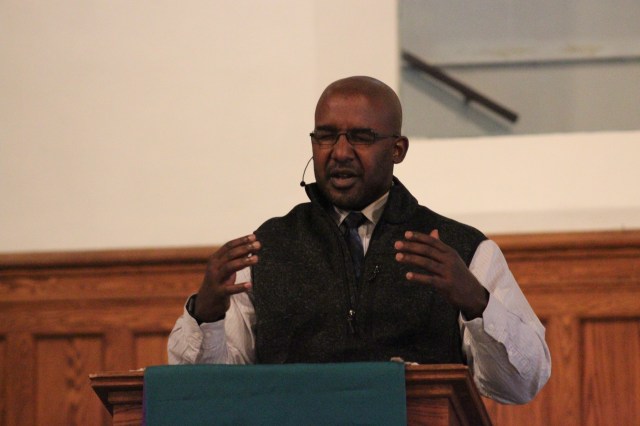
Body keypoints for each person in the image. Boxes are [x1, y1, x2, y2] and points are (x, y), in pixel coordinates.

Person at [168, 76, 551, 404]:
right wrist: (207, 313)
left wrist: (477, 303)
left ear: (397, 149)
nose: (339, 152)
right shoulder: (267, 248)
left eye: (360, 138)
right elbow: (208, 394)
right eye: (326, 136)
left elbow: (522, 385)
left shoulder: (461, 249)